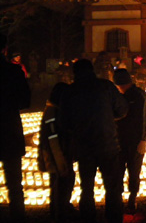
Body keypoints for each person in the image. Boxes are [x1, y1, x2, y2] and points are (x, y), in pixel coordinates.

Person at [60, 59, 128, 223]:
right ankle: (113, 218)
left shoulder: (70, 92)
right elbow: (122, 109)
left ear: (75, 73)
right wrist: (110, 118)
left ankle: (88, 218)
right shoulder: (106, 86)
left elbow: (64, 121)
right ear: (92, 71)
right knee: (112, 187)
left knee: (87, 188)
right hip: (108, 143)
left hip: (84, 147)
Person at [113, 69, 146, 215]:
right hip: (119, 141)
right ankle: (118, 198)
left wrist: (143, 139)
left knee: (134, 171)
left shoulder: (140, 96)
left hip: (135, 141)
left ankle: (132, 198)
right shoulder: (118, 95)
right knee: (118, 171)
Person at [0, 34, 31, 222]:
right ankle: (18, 216)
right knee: (14, 180)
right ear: (5, 49)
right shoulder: (14, 72)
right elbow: (25, 101)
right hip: (9, 127)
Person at [38, 82, 76, 222]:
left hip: (58, 156)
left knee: (62, 183)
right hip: (56, 158)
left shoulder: (54, 110)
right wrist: (61, 163)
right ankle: (60, 213)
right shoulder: (52, 113)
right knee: (61, 184)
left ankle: (62, 208)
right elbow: (53, 140)